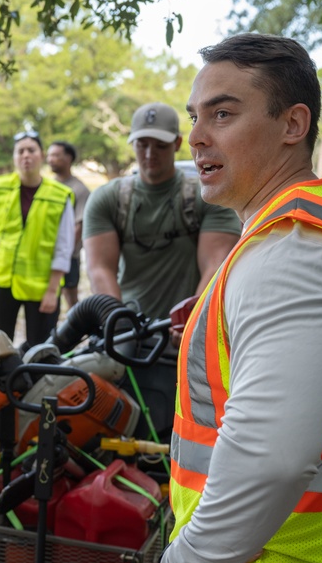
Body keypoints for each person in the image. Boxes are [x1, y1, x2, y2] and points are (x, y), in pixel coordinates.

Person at [129, 33, 322, 563]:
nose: (197, 136)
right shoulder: (290, 233)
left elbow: (271, 460)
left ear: (292, 124)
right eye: (197, 116)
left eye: (223, 114)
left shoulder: (294, 249)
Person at [82, 103, 240, 440]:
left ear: (178, 143)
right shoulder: (109, 199)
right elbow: (100, 268)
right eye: (142, 144)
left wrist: (192, 317)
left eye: (160, 145)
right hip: (128, 332)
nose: (149, 153)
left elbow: (215, 262)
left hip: (181, 333)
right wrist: (119, 322)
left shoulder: (206, 196)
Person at [0, 130, 75, 351]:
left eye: (32, 150)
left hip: (41, 285)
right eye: (20, 151)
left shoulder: (60, 195)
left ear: (42, 156)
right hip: (3, 279)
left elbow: (64, 245)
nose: (26, 156)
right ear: (14, 157)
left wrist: (52, 290)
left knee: (41, 349)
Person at [47, 140, 91, 309]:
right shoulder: (47, 186)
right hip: (46, 254)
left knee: (70, 298)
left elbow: (79, 226)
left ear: (69, 159)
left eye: (56, 155)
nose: (51, 159)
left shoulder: (79, 189)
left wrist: (63, 255)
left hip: (69, 256)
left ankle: (76, 331)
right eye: (49, 155)